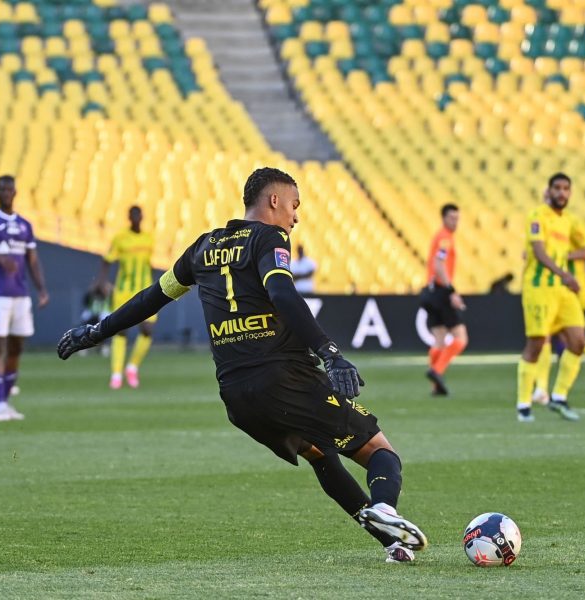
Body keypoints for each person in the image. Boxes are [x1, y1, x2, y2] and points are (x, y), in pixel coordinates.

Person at [58, 167, 428, 563]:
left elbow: (153, 298)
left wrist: (96, 331)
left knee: (320, 453)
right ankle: (386, 510)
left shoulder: (202, 248)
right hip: (284, 376)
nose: (295, 216)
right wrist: (329, 351)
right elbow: (282, 292)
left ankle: (393, 544)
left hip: (237, 396)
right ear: (273, 200)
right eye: (293, 205)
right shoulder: (270, 238)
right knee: (378, 450)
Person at [0, 175, 49, 421]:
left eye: (10, 189)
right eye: (2, 189)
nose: (6, 192)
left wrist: (42, 289)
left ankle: (6, 402)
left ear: (15, 192)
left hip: (21, 295)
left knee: (16, 349)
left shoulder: (25, 225)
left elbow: (33, 260)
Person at [516, 173, 585, 423]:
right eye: (557, 188)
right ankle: (523, 404)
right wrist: (565, 273)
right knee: (536, 345)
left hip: (562, 291)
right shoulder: (537, 216)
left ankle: (559, 396)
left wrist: (569, 261)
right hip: (538, 289)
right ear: (549, 191)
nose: (561, 193)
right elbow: (538, 252)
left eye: (566, 189)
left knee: (578, 342)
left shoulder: (569, 221)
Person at [531, 211, 585, 405]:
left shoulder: (572, 222)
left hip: (573, 286)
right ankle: (541, 389)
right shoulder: (541, 222)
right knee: (544, 335)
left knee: (569, 336)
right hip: (549, 287)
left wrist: (564, 256)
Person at [95, 206, 155, 389]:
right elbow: (107, 260)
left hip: (144, 288)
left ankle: (132, 367)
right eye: (133, 215)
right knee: (120, 330)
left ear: (142, 217)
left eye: (138, 215)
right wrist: (102, 282)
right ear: (129, 217)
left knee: (147, 329)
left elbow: (148, 265)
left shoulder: (149, 239)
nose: (136, 218)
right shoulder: (120, 238)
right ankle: (116, 374)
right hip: (124, 290)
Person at [420, 204, 468, 396]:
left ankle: (436, 387)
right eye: (452, 218)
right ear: (443, 218)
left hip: (429, 292)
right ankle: (437, 371)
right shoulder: (445, 239)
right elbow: (438, 264)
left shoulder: (441, 237)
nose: (455, 222)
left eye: (457, 218)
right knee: (461, 338)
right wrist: (451, 290)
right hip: (440, 291)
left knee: (439, 341)